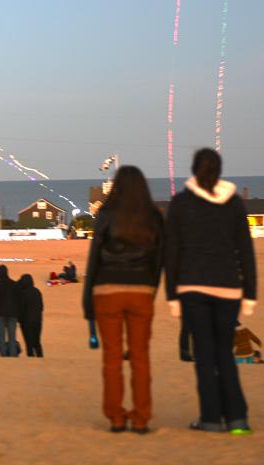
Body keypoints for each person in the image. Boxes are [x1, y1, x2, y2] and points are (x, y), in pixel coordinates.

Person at [165, 148, 256, 435]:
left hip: (192, 288)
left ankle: (211, 418)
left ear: (193, 170)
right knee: (224, 355)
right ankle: (237, 419)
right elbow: (245, 251)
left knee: (204, 355)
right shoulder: (233, 204)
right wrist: (250, 293)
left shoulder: (180, 203)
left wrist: (172, 295)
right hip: (228, 288)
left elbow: (172, 253)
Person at [83, 164, 163, 434]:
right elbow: (159, 259)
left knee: (112, 358)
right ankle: (141, 418)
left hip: (107, 291)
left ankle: (116, 417)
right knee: (140, 357)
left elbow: (94, 259)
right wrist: (151, 288)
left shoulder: (106, 214)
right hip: (141, 290)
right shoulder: (153, 216)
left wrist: (87, 300)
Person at [18, 274, 44, 357]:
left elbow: (21, 307)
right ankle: (40, 357)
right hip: (37, 320)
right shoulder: (37, 291)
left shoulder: (23, 293)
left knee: (29, 343)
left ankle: (31, 359)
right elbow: (41, 306)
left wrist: (19, 319)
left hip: (26, 322)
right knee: (37, 342)